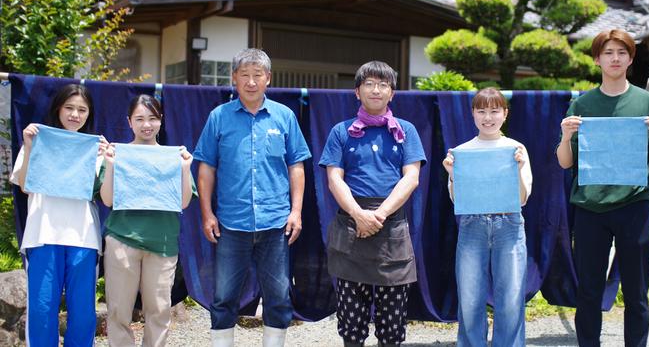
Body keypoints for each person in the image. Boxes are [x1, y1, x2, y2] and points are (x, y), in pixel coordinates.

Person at [556, 28, 649, 347]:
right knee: (589, 291)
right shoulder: (583, 103)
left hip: (634, 207)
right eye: (608, 53)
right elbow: (565, 163)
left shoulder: (647, 101)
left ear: (630, 58)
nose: (615, 58)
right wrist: (566, 137)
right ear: (597, 59)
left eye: (621, 53)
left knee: (637, 292)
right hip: (590, 210)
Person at [194, 48, 311, 347]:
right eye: (244, 75)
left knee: (279, 296)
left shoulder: (284, 116)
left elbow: (296, 166)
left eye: (257, 75)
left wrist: (296, 211)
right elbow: (206, 168)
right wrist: (207, 213)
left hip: (276, 223)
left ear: (268, 79)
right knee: (223, 297)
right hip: (231, 223)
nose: (250, 81)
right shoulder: (218, 117)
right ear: (234, 78)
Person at [319, 61, 426, 347]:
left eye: (383, 85)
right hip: (350, 228)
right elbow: (334, 180)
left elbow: (411, 178)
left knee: (392, 328)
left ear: (392, 93)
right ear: (357, 92)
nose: (376, 90)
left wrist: (377, 215)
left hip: (391, 227)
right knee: (351, 327)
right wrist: (358, 215)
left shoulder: (406, 130)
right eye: (369, 84)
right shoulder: (340, 132)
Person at [11, 84, 107, 346]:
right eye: (69, 108)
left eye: (82, 109)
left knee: (83, 313)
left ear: (89, 114)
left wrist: (109, 161)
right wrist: (29, 145)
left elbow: (106, 195)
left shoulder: (97, 148)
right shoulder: (38, 140)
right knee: (42, 310)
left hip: (84, 237)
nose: (75, 114)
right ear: (58, 109)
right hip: (43, 234)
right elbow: (25, 185)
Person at [98, 94, 196, 347]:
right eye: (139, 119)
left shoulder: (173, 157)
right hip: (122, 239)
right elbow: (107, 200)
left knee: (159, 313)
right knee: (119, 312)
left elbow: (184, 202)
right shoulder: (117, 154)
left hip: (162, 243)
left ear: (161, 121)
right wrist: (109, 165)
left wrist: (185, 169)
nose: (146, 125)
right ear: (129, 122)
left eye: (152, 118)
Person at [442, 87, 532, 347]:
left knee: (511, 297)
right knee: (470, 299)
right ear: (472, 114)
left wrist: (518, 168)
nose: (488, 117)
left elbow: (523, 197)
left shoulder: (516, 148)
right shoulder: (462, 151)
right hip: (473, 226)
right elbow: (458, 199)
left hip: (509, 225)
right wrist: (451, 173)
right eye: (481, 111)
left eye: (494, 111)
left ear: (505, 113)